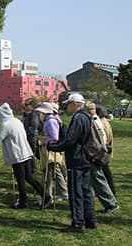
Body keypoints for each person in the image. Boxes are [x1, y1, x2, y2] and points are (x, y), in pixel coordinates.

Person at [0, 103, 51, 209]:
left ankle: (23, 201)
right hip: (26, 153)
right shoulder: (16, 121)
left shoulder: (6, 125)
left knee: (21, 180)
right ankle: (45, 196)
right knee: (29, 178)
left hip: (18, 156)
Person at [48, 93, 97, 233]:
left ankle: (78, 223)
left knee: (76, 192)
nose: (67, 106)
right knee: (86, 191)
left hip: (76, 159)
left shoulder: (78, 118)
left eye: (69, 104)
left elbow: (70, 141)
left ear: (75, 104)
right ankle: (90, 220)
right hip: (85, 158)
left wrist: (53, 147)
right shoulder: (86, 116)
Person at [85, 102, 119, 214]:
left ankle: (111, 202)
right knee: (101, 177)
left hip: (99, 154)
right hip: (102, 154)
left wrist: (96, 153)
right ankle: (110, 200)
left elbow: (101, 140)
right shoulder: (104, 121)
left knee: (99, 178)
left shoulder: (98, 122)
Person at [35, 102, 68, 203]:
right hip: (48, 149)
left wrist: (43, 141)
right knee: (53, 171)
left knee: (48, 172)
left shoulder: (51, 121)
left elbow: (54, 137)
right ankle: (63, 192)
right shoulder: (48, 121)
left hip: (50, 150)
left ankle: (48, 195)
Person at [97, 105, 116, 195]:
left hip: (103, 151)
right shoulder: (105, 121)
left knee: (103, 173)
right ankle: (111, 191)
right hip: (107, 150)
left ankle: (110, 191)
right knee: (105, 172)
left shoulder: (101, 123)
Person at [21, 98, 40, 174]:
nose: (24, 106)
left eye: (26, 104)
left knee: (31, 153)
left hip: (32, 137)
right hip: (25, 137)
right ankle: (28, 169)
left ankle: (32, 170)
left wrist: (24, 132)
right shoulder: (25, 115)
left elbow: (33, 127)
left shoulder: (34, 114)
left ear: (31, 106)